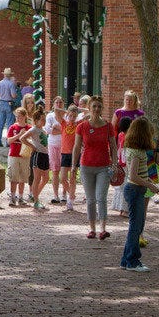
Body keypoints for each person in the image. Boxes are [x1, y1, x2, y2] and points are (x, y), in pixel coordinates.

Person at [119, 117, 159, 272]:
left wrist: (149, 181)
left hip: (137, 189)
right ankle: (133, 260)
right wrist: (150, 185)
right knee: (136, 226)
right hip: (135, 189)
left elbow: (140, 174)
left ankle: (126, 259)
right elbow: (133, 176)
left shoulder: (134, 149)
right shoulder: (137, 153)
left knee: (137, 225)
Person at [72, 96, 117, 240]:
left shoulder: (108, 126)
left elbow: (113, 147)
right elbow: (77, 147)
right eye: (94, 107)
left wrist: (115, 164)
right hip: (86, 166)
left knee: (101, 198)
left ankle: (103, 229)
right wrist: (74, 165)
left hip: (103, 167)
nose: (97, 109)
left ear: (102, 108)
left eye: (99, 106)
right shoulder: (82, 126)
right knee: (91, 199)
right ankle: (92, 228)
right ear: (90, 109)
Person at [21, 108, 50, 209]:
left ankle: (35, 195)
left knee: (46, 178)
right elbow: (22, 138)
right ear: (36, 120)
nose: (44, 121)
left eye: (44, 119)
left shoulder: (43, 130)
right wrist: (32, 146)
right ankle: (36, 201)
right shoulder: (33, 129)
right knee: (37, 178)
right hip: (38, 155)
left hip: (45, 155)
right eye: (42, 119)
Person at [6, 107, 32, 206]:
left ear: (25, 116)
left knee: (23, 177)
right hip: (13, 154)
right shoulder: (13, 127)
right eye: (17, 117)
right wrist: (19, 135)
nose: (18, 118)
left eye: (20, 117)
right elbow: (8, 141)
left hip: (25, 155)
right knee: (13, 177)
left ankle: (21, 197)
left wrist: (25, 136)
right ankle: (12, 197)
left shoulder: (29, 128)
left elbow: (32, 141)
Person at [45, 96, 65, 204]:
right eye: (56, 102)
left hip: (65, 145)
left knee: (65, 171)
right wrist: (60, 130)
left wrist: (56, 128)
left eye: (60, 102)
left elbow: (68, 130)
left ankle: (64, 194)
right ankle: (55, 195)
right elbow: (48, 130)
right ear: (53, 104)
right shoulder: (50, 116)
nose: (58, 104)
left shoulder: (66, 116)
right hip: (53, 145)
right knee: (55, 170)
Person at [59, 105, 80, 211]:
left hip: (74, 154)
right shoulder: (64, 123)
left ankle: (70, 201)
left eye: (74, 116)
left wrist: (80, 111)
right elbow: (56, 111)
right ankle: (72, 194)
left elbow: (89, 114)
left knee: (72, 178)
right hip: (64, 153)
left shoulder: (78, 125)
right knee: (62, 178)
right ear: (67, 115)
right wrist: (67, 111)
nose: (72, 118)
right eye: (70, 115)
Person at [111, 117, 133, 217]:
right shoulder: (127, 137)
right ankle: (124, 209)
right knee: (125, 186)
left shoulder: (120, 135)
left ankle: (120, 207)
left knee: (121, 187)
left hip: (120, 162)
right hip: (125, 164)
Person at [0, 68, 17, 147]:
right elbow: (13, 95)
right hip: (9, 103)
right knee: (9, 124)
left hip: (1, 103)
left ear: (3, 74)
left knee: (0, 124)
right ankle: (8, 142)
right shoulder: (11, 84)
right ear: (10, 75)